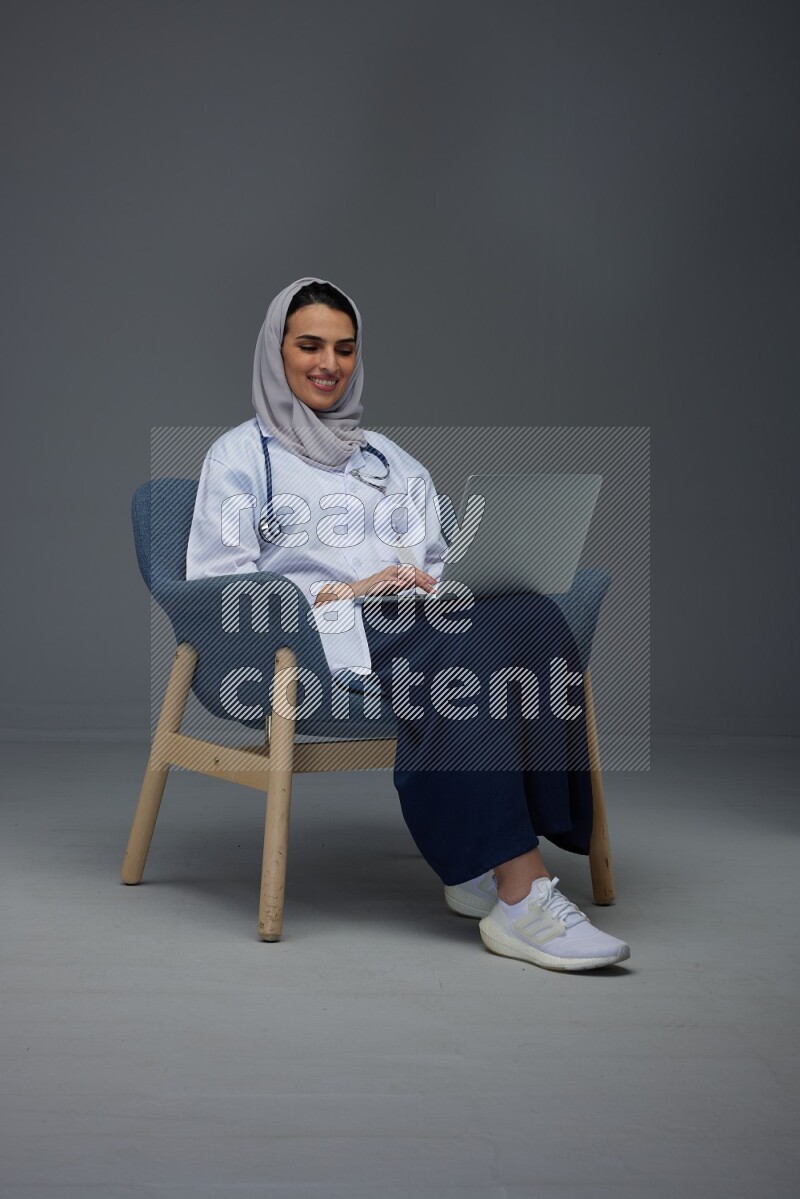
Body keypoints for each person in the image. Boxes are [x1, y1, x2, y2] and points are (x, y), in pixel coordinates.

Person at [186, 276, 631, 972]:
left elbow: (436, 555)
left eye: (344, 348)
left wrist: (435, 577)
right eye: (309, 345)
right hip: (316, 637)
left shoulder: (388, 460)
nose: (328, 363)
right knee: (474, 648)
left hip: (413, 617)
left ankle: (483, 862)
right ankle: (522, 895)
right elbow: (221, 589)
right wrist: (350, 589)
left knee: (537, 618)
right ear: (276, 351)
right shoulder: (239, 459)